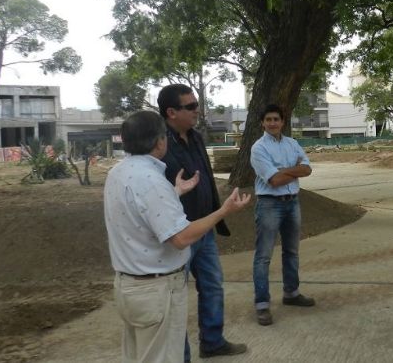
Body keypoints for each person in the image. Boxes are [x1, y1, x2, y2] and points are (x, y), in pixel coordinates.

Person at [103, 110, 251, 363]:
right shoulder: (150, 180)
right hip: (155, 290)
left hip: (130, 286)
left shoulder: (118, 173)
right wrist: (224, 211)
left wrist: (174, 192)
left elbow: (141, 211)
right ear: (160, 141)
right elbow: (180, 238)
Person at [157, 84, 248, 360]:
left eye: (197, 105)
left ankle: (212, 341)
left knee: (212, 284)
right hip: (179, 234)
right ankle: (180, 355)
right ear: (171, 112)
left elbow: (205, 175)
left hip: (204, 229)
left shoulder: (195, 137)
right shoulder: (158, 144)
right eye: (191, 106)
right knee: (176, 298)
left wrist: (216, 211)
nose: (198, 111)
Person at [250, 104, 315, 326]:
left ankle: (291, 293)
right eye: (268, 119)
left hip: (292, 203)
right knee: (263, 255)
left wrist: (282, 170)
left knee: (292, 251)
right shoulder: (258, 148)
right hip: (269, 204)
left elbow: (308, 169)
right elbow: (273, 180)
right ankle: (262, 304)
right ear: (262, 122)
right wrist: (293, 170)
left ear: (282, 121)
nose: (272, 123)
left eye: (276, 119)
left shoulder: (292, 143)